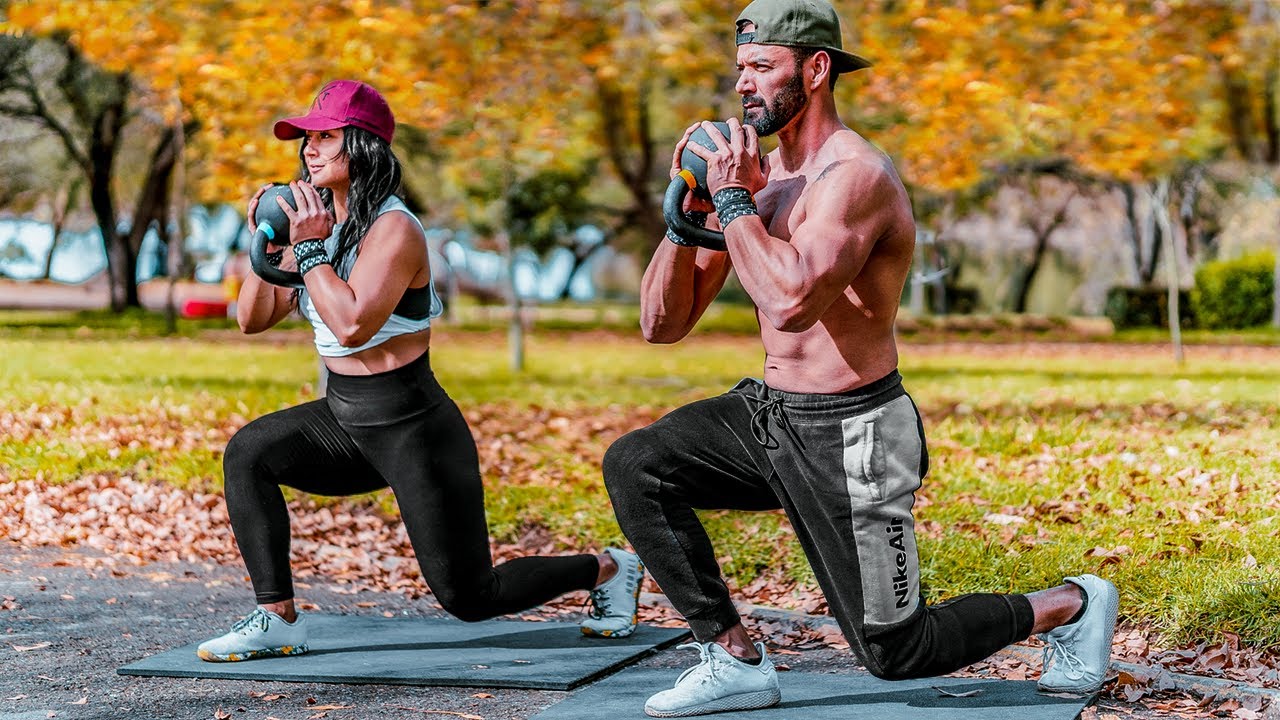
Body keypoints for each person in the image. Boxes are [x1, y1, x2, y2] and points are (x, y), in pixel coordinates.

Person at [601, 1, 1119, 716]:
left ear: (815, 69)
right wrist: (689, 213)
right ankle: (733, 656)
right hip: (771, 413)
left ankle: (1073, 604)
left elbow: (792, 304)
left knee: (896, 654)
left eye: (761, 68)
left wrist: (730, 199)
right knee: (638, 464)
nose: (744, 85)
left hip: (855, 433)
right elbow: (662, 324)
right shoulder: (762, 181)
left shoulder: (855, 176)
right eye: (739, 70)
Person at [197, 80, 644, 663]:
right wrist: (267, 240)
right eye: (306, 137)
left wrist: (308, 252)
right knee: (248, 452)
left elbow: (353, 322)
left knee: (470, 597)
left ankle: (608, 568)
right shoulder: (315, 220)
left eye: (326, 136)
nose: (310, 147)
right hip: (343, 419)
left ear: (364, 146)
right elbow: (251, 320)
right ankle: (277, 616)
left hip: (414, 427)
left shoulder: (395, 229)